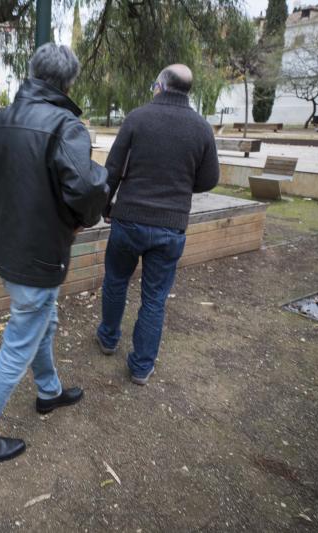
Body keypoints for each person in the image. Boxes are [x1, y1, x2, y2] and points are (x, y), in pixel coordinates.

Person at [0, 43, 109, 463]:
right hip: (41, 255)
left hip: (11, 251)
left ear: (32, 73)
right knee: (20, 342)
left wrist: (20, 217)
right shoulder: (66, 126)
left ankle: (49, 391)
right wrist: (77, 219)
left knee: (44, 318)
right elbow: (86, 190)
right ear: (67, 83)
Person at [96, 64, 220, 385]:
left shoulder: (137, 118)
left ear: (161, 86)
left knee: (115, 281)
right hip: (170, 227)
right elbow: (209, 179)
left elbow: (112, 169)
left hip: (128, 221)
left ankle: (108, 339)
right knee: (154, 298)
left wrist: (105, 207)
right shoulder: (202, 128)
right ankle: (141, 367)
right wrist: (179, 186)